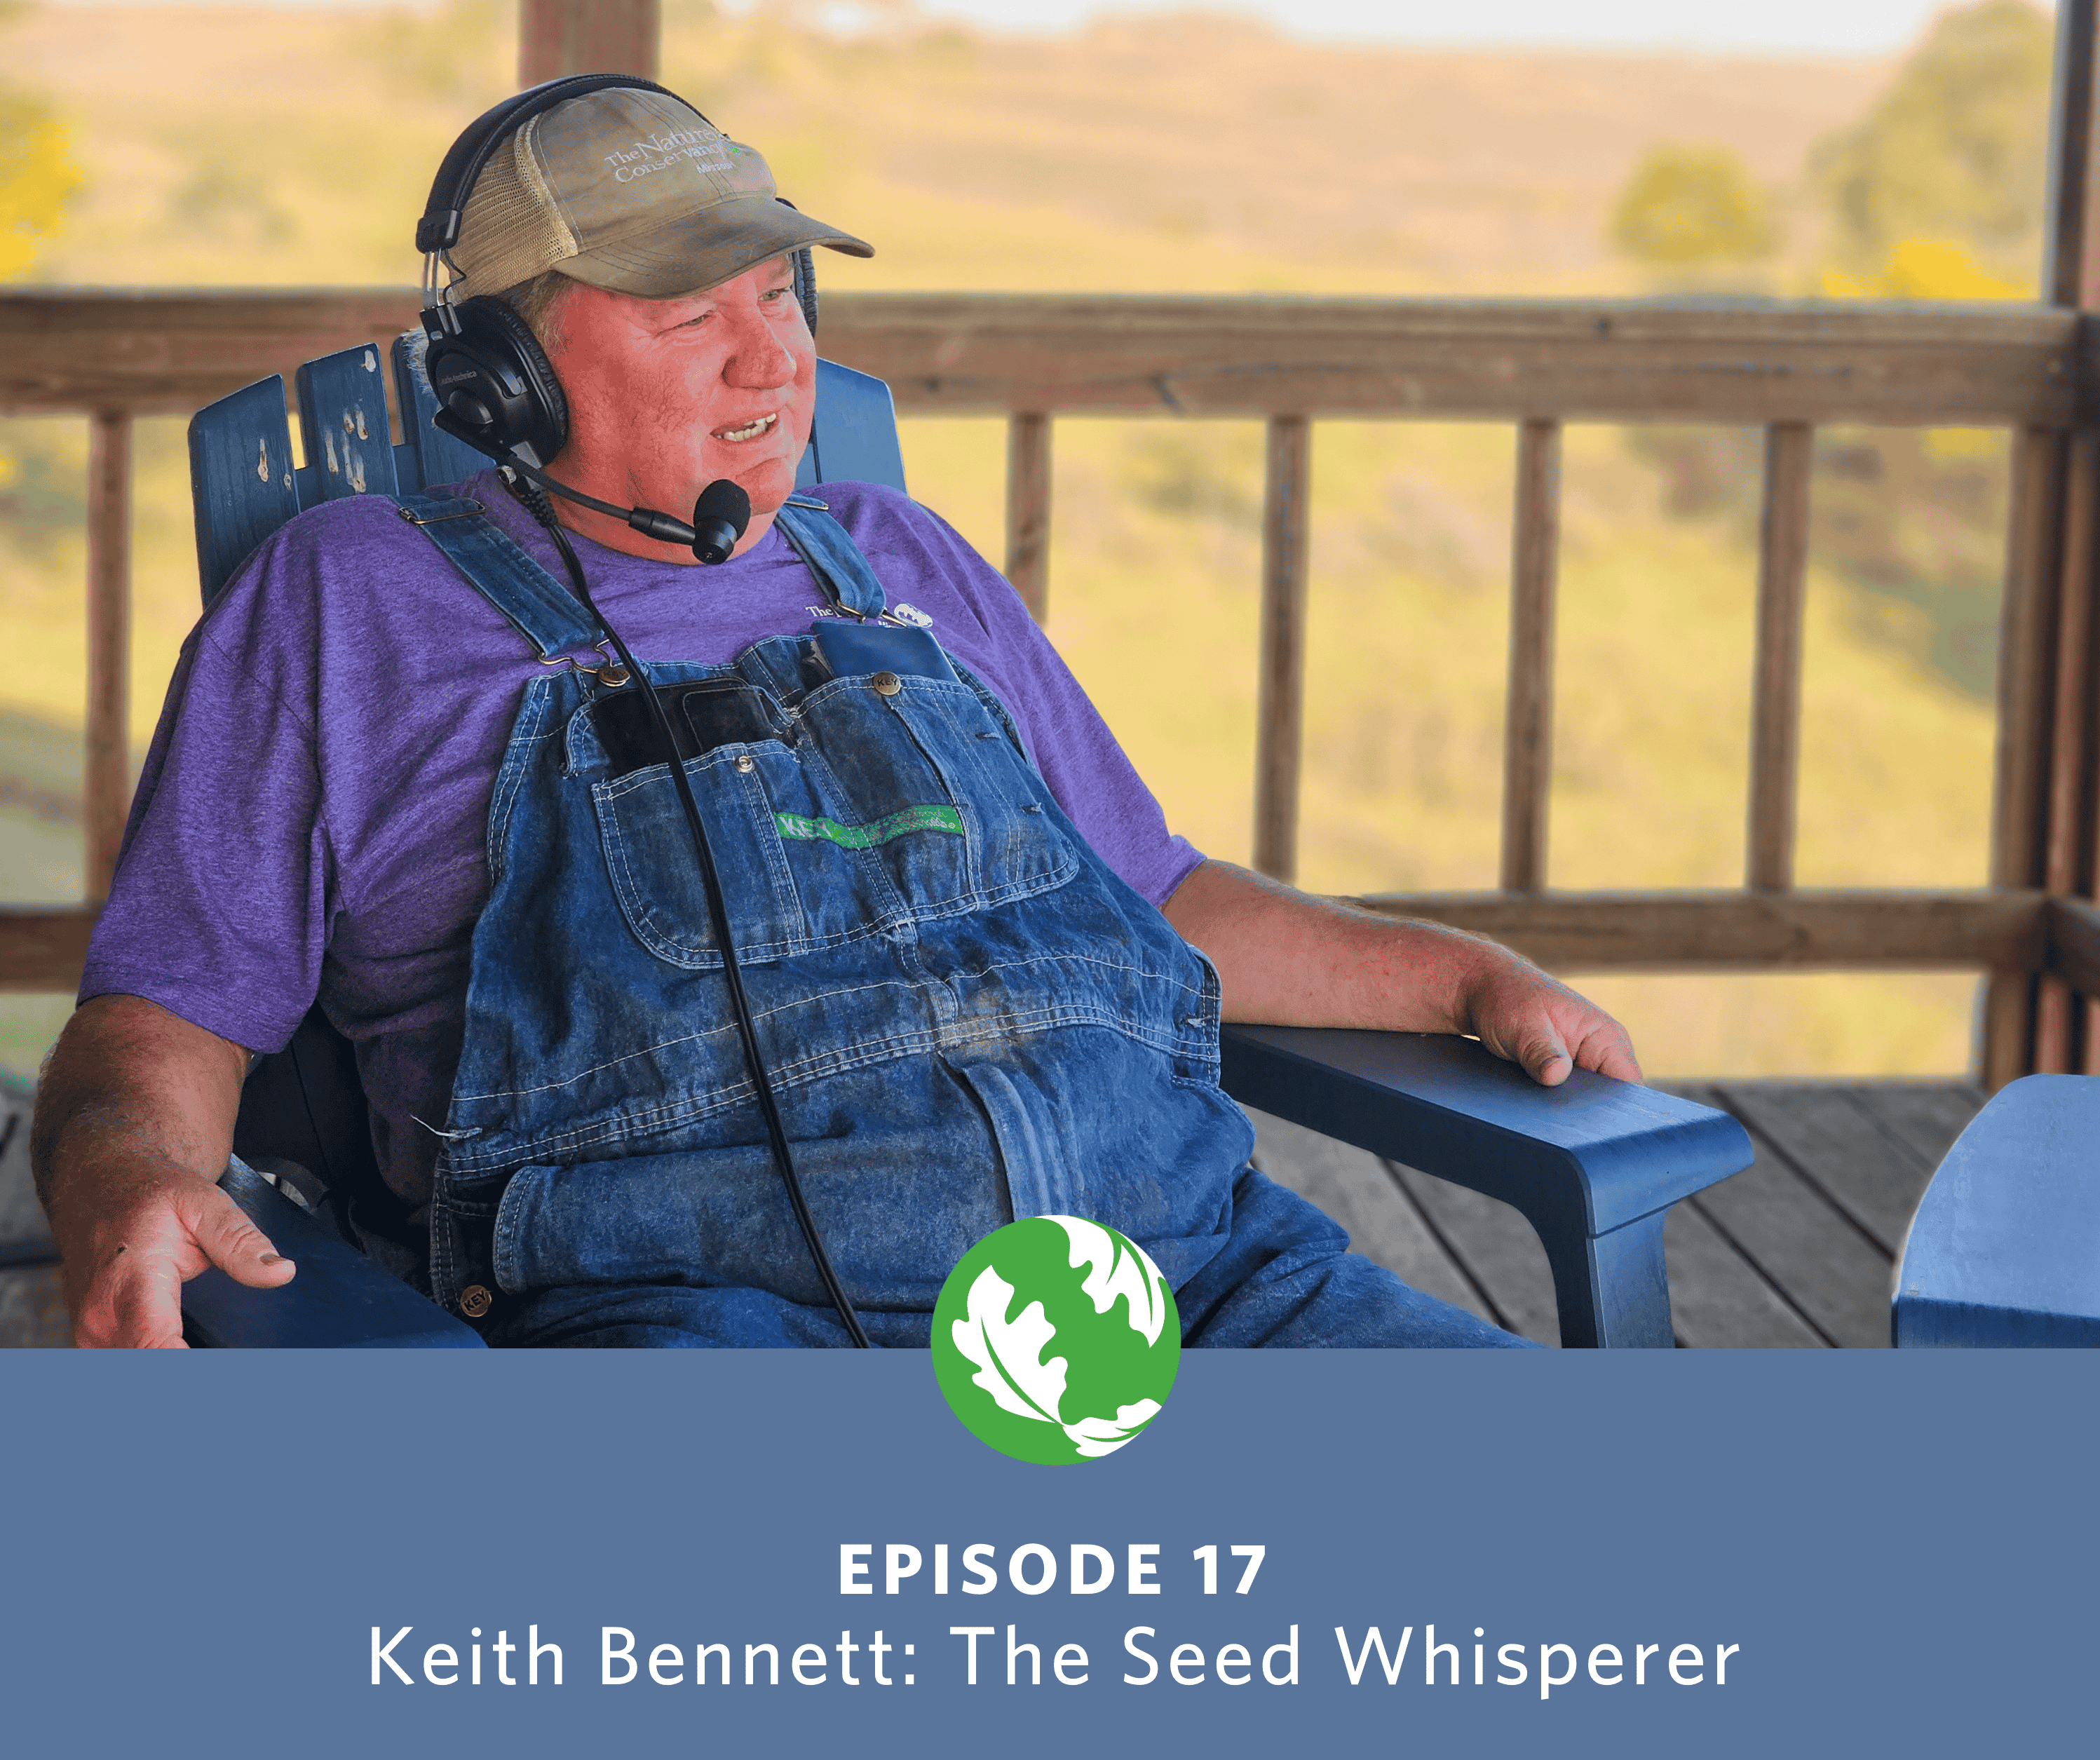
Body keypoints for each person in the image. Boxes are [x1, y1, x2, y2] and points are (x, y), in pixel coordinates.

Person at [31, 79, 1639, 1351]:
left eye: (781, 298)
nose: (770, 364)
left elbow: (1155, 899)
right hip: (708, 1324)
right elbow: (166, 1015)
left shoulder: (899, 562)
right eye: (686, 320)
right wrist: (127, 1177)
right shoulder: (345, 602)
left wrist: (1464, 979)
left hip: (1188, 1290)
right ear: (503, 382)